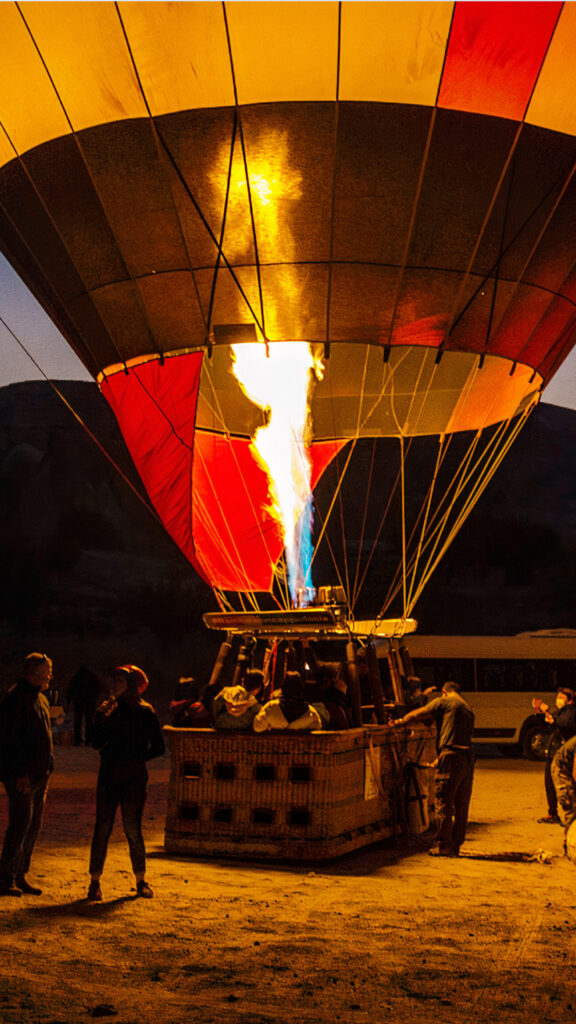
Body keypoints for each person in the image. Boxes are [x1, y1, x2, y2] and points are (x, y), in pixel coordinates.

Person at [87, 665, 164, 902]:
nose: (115, 685)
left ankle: (140, 881)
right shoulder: (110, 709)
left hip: (133, 778)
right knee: (102, 829)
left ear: (131, 684)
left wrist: (137, 759)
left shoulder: (145, 711)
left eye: (120, 681)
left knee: (132, 829)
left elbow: (159, 747)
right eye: (115, 680)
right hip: (109, 775)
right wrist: (100, 718)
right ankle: (94, 882)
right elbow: (95, 742)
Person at [389, 680, 475, 857]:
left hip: (450, 756)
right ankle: (455, 845)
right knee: (461, 804)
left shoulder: (445, 701)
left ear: (444, 692)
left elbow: (419, 714)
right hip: (466, 758)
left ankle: (443, 845)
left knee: (444, 800)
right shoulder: (466, 707)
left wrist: (399, 722)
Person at [0, 653, 54, 896]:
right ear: (34, 672)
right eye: (47, 670)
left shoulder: (40, 698)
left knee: (32, 825)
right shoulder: (15, 699)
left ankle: (20, 874)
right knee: (20, 824)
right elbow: (9, 740)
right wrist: (19, 772)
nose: (50, 674)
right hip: (21, 776)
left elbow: (44, 734)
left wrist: (47, 763)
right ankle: (5, 877)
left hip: (39, 774)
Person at [532, 688, 576, 824]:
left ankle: (565, 815)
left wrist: (551, 719)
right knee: (550, 783)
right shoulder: (564, 711)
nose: (558, 699)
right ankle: (553, 813)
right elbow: (551, 724)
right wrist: (542, 712)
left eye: (561, 697)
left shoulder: (571, 710)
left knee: (562, 785)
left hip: (562, 754)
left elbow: (564, 726)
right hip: (555, 752)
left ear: (569, 699)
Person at [253, 671, 323, 732]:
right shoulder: (311, 713)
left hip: (274, 746)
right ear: (301, 690)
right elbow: (316, 732)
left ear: (283, 689)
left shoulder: (271, 708)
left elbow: (257, 727)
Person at [551, 735, 576, 856]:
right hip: (562, 770)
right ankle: (570, 847)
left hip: (569, 768)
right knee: (571, 806)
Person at [66, 665, 101, 746]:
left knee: (78, 721)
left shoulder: (76, 677)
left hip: (79, 701)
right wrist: (95, 698)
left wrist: (69, 699)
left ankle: (77, 740)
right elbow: (98, 689)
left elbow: (70, 688)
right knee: (89, 721)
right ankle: (88, 740)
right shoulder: (92, 678)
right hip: (90, 701)